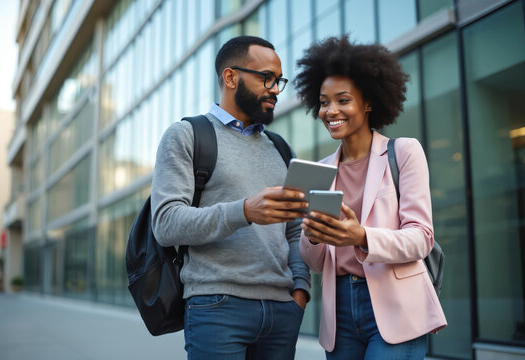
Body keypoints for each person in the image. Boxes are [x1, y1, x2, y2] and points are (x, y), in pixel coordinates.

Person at [151, 35, 311, 360]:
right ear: (230, 76)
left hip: (282, 310)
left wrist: (300, 289)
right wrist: (245, 211)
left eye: (279, 80)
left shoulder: (281, 148)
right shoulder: (187, 135)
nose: (276, 89)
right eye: (266, 78)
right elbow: (166, 224)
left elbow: (295, 230)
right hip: (217, 306)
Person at [293, 35, 447, 359]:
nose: (330, 111)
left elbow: (422, 238)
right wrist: (312, 235)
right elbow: (315, 262)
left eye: (343, 100)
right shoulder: (320, 171)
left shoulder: (404, 152)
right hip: (340, 313)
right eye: (323, 102)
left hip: (397, 304)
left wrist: (361, 236)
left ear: (368, 102)